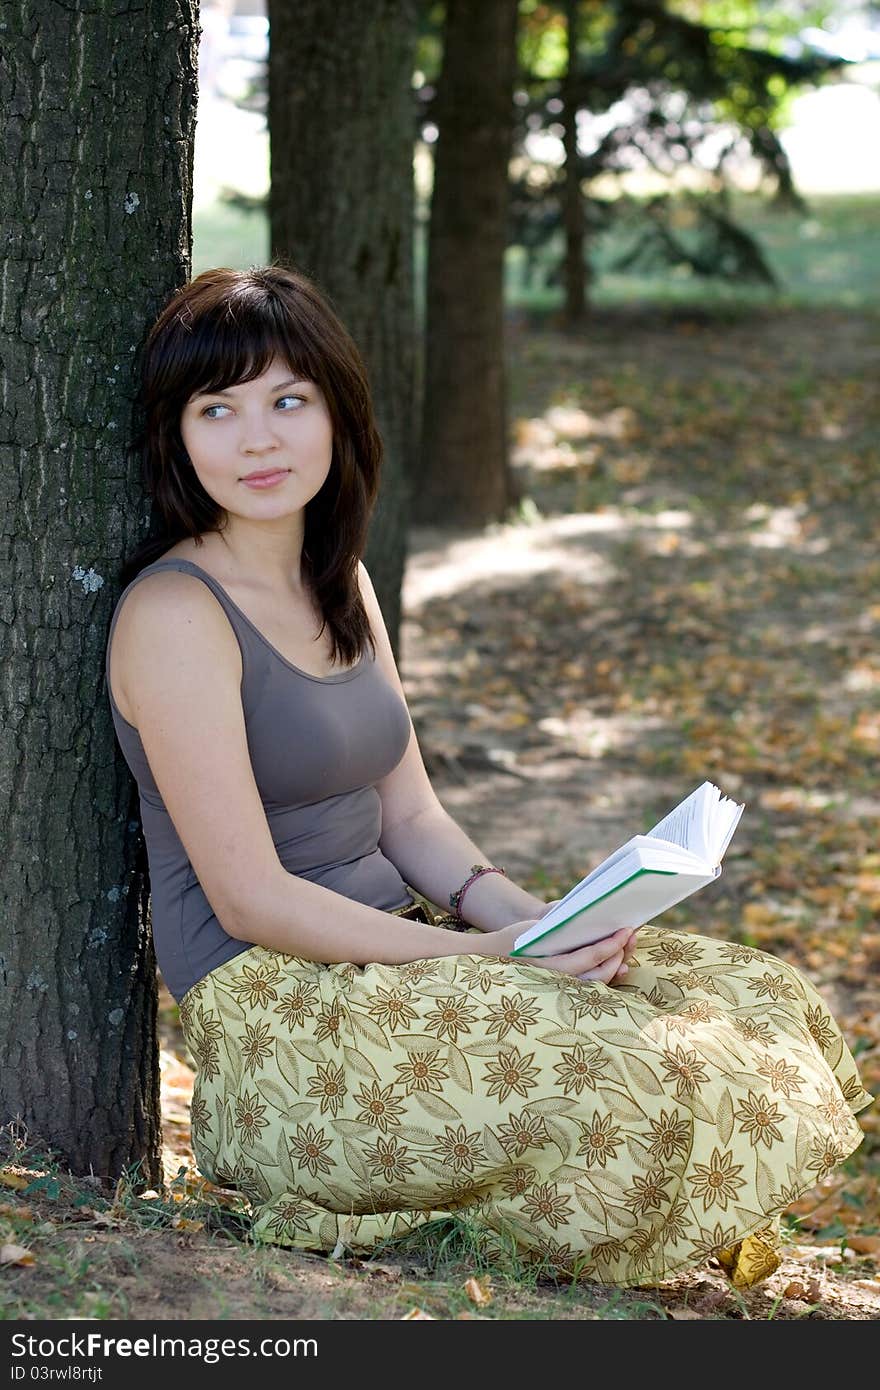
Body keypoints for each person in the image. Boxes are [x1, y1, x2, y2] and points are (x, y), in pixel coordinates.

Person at [105, 263, 871, 1290]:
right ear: (177, 433)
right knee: (628, 1071)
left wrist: (544, 921)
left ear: (337, 414)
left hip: (400, 960)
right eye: (219, 409)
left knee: (749, 996)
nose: (258, 440)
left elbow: (408, 810)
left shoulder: (338, 579)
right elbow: (251, 896)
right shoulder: (173, 614)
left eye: (288, 400)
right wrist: (486, 955)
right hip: (280, 1018)